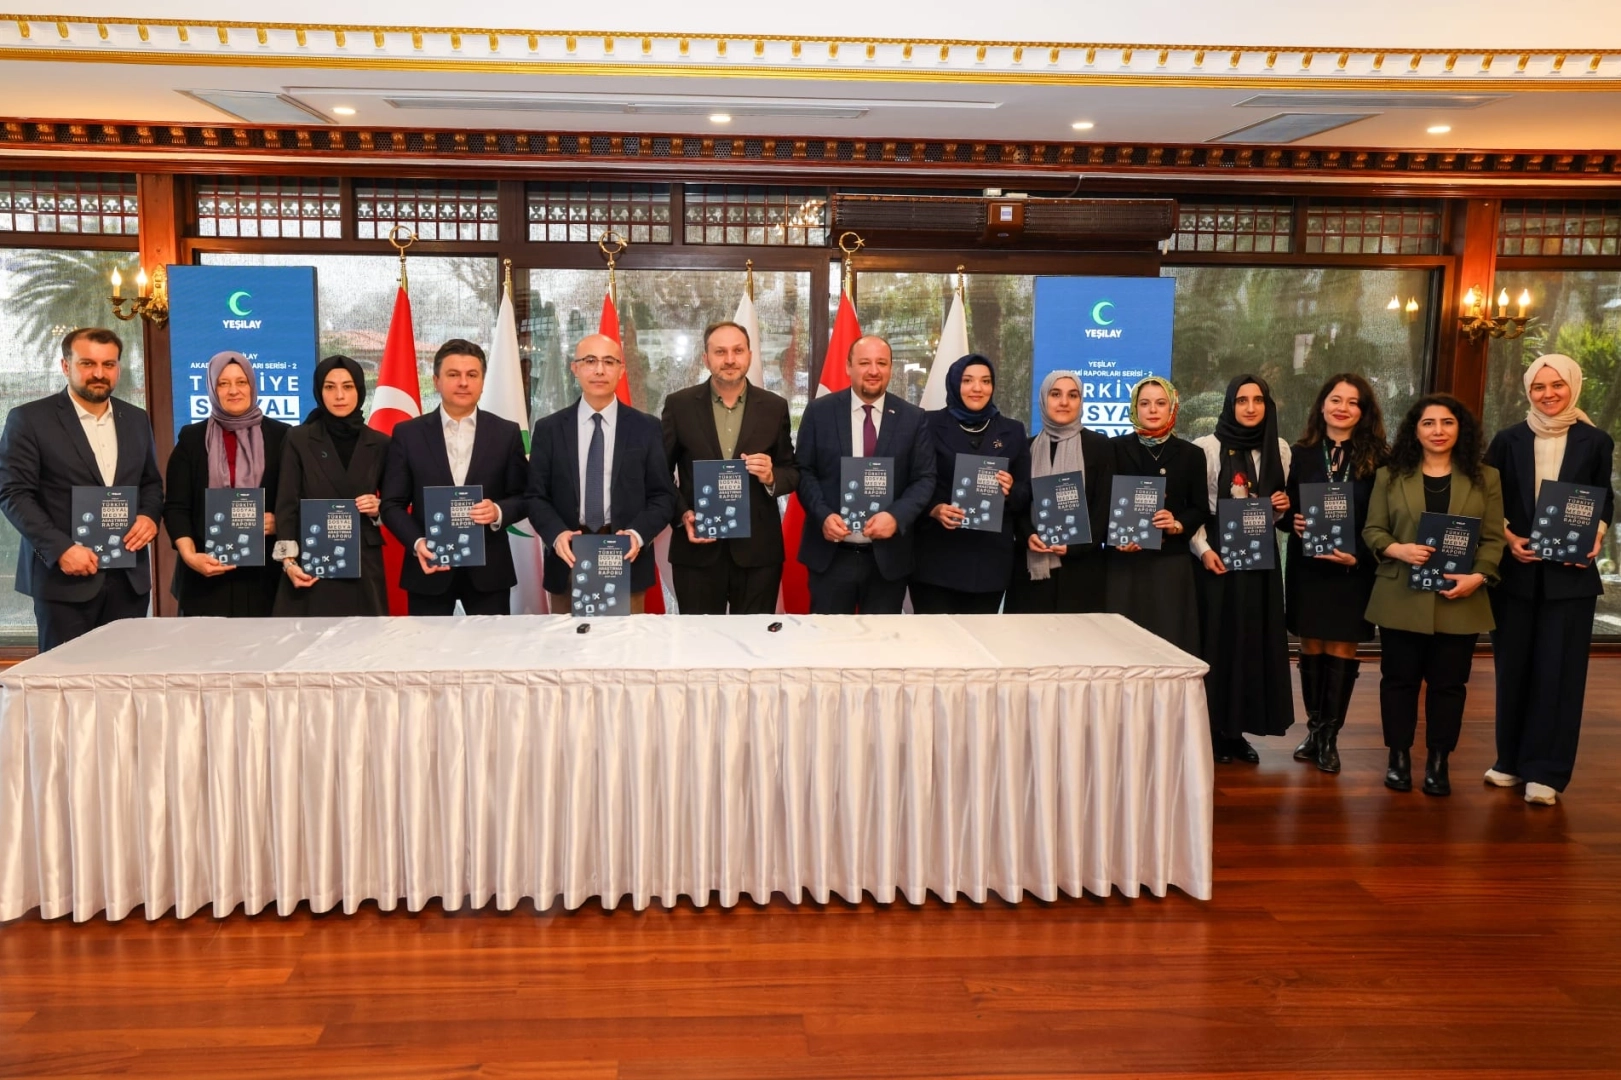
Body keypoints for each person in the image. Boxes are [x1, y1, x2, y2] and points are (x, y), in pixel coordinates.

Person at [1485, 354, 1614, 807]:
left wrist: (1596, 536)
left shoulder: (1596, 440)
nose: (1548, 394)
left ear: (1573, 386)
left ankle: (1547, 772)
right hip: (1515, 573)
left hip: (1570, 579)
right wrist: (1507, 538)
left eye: (1557, 385)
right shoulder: (1508, 439)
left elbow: (1604, 499)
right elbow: (1487, 496)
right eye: (1539, 387)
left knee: (1560, 674)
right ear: (1528, 391)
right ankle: (1509, 760)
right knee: (1513, 668)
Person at [1364, 394, 1505, 796]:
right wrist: (1398, 549)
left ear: (1461, 429)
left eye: (1447, 422)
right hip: (1401, 597)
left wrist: (1478, 576)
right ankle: (1398, 757)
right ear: (1415, 430)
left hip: (1460, 598)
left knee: (1449, 685)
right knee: (1399, 681)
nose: (1438, 431)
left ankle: (1439, 761)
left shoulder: (1486, 478)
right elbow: (1373, 530)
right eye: (1429, 423)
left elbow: (1493, 539)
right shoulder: (1389, 476)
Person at [0, 328, 163, 651]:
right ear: (66, 366)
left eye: (109, 364)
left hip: (128, 580)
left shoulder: (136, 418)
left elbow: (151, 483)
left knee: (125, 673)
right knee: (65, 677)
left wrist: (148, 515)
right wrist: (60, 549)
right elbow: (13, 493)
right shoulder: (29, 419)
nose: (99, 373)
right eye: (87, 363)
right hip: (63, 581)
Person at [527, 333, 676, 614]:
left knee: (625, 641)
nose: (599, 370)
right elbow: (535, 496)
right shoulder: (549, 429)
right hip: (568, 558)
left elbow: (662, 496)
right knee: (567, 640)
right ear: (575, 368)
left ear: (621, 370)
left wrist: (637, 534)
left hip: (626, 558)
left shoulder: (646, 428)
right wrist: (557, 534)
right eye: (590, 361)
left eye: (609, 362)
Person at [379, 339, 529, 616]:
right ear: (436, 381)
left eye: (472, 375)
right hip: (429, 565)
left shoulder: (506, 433)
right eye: (453, 374)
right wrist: (418, 543)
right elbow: (391, 504)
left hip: (489, 570)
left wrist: (497, 511)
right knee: (427, 644)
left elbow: (524, 496)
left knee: (492, 644)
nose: (463, 382)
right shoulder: (408, 434)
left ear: (482, 382)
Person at [1189, 374, 1295, 764]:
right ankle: (1212, 730)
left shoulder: (1279, 448)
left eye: (1258, 400)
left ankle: (1237, 732)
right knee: (1217, 639)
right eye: (1241, 400)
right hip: (1216, 555)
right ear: (1229, 404)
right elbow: (1195, 506)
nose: (1250, 408)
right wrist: (1203, 550)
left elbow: (1275, 513)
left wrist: (1280, 507)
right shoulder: (1207, 448)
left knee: (1251, 640)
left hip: (1258, 558)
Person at [1285, 373, 1388, 773]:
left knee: (1343, 647)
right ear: (1322, 405)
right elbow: (1284, 508)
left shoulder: (1380, 458)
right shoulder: (1301, 453)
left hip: (1353, 569)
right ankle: (1313, 731)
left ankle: (1330, 737)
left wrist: (1358, 556)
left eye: (1352, 402)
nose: (1342, 408)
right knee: (1310, 645)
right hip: (1308, 567)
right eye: (1335, 399)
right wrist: (1290, 520)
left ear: (1364, 411)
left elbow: (1385, 519)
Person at [661, 321, 799, 614]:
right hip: (696, 549)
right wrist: (682, 514)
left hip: (758, 553)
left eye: (737, 350)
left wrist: (772, 475)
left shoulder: (774, 407)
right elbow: (659, 474)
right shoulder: (679, 405)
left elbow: (792, 470)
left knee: (753, 638)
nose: (730, 359)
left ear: (750, 355)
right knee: (698, 638)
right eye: (720, 351)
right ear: (706, 358)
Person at [794, 334, 935, 615]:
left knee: (881, 642)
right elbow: (803, 470)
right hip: (831, 557)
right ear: (848, 366)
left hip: (887, 561)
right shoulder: (819, 412)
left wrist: (895, 517)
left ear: (891, 368)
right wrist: (822, 515)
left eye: (881, 363)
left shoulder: (913, 417)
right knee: (830, 639)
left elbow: (924, 478)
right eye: (864, 363)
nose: (873, 370)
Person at [163, 350, 291, 618]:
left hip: (266, 578)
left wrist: (280, 521)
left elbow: (295, 499)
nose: (234, 390)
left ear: (252, 385)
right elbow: (176, 508)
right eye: (223, 383)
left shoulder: (282, 437)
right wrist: (189, 556)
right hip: (204, 576)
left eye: (241, 382)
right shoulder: (191, 439)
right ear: (212, 388)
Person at [271, 355, 391, 617]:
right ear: (318, 391)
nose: (339, 395)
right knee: (309, 639)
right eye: (329, 387)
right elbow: (287, 504)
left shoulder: (381, 443)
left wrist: (378, 508)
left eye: (347, 386)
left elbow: (394, 503)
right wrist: (288, 562)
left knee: (364, 639)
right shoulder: (298, 438)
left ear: (359, 390)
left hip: (362, 560)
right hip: (311, 558)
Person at [911, 354, 1030, 614]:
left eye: (986, 381)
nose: (978, 388)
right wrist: (933, 508)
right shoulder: (927, 424)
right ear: (954, 383)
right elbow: (911, 480)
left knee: (981, 638)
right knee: (935, 638)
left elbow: (1025, 491)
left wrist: (1010, 490)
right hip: (936, 559)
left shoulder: (1013, 430)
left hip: (989, 562)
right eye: (967, 380)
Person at [1105, 376, 1207, 654]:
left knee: (1169, 645)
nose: (1152, 409)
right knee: (1122, 646)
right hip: (1124, 563)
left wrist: (1176, 524)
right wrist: (1114, 537)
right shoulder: (1113, 449)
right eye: (1145, 403)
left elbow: (1199, 507)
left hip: (1169, 564)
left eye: (1161, 403)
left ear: (1172, 407)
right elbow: (1101, 502)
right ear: (1134, 408)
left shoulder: (1191, 454)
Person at [1007, 370, 1114, 614]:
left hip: (1082, 570)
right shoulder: (1026, 447)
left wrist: (1074, 547)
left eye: (1072, 395)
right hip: (1031, 570)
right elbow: (1018, 504)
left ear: (1081, 401)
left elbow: (1103, 507)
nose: (1064, 402)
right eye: (1055, 394)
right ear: (1044, 398)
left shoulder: (1101, 447)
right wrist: (1028, 535)